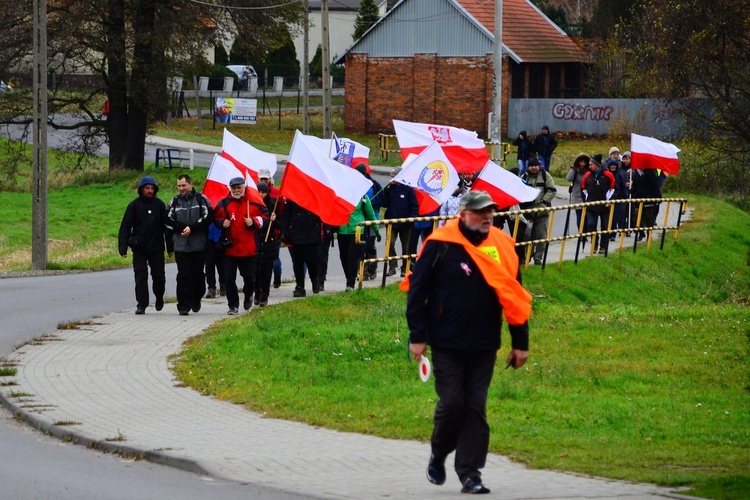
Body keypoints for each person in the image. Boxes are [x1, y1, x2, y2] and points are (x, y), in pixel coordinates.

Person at [404, 190, 532, 495]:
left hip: (485, 342)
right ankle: (439, 452)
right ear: (463, 214)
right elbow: (417, 291)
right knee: (453, 404)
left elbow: (514, 296)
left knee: (476, 407)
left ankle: (470, 474)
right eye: (480, 211)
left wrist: (520, 342)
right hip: (446, 341)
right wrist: (418, 336)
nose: (487, 217)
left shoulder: (502, 245)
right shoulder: (440, 244)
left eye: (490, 211)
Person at [212, 177, 268, 315]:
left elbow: (265, 217)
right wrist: (221, 222)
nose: (236, 190)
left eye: (239, 187)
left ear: (244, 187)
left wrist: (254, 221)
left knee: (249, 277)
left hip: (248, 249)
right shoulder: (224, 203)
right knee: (229, 278)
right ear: (230, 188)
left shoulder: (253, 202)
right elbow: (215, 217)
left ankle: (249, 295)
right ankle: (233, 305)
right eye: (234, 188)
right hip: (230, 249)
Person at [118, 176, 173, 315]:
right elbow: (125, 226)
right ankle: (141, 304)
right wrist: (122, 247)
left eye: (152, 188)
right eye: (147, 188)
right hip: (139, 248)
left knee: (159, 276)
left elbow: (167, 227)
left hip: (157, 248)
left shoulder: (160, 205)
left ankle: (159, 296)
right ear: (141, 189)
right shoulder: (134, 205)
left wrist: (170, 247)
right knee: (140, 276)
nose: (149, 191)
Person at [166, 174, 212, 315]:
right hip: (181, 245)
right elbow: (168, 220)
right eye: (179, 186)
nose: (181, 189)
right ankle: (184, 306)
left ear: (190, 184)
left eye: (184, 185)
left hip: (198, 244)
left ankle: (197, 297)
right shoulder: (174, 201)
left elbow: (207, 218)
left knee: (197, 274)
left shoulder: (201, 199)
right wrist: (181, 228)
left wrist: (192, 228)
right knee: (183, 275)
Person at [337, 169, 381, 291]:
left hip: (357, 231)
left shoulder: (363, 197)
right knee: (343, 257)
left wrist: (376, 231)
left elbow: (371, 214)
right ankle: (349, 278)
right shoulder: (340, 195)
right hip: (342, 230)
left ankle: (350, 284)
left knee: (352, 256)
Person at [281, 198, 323, 297]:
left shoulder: (313, 195)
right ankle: (300, 286)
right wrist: (284, 230)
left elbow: (321, 211)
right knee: (297, 262)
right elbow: (287, 213)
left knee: (311, 260)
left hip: (311, 232)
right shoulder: (292, 197)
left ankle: (314, 279)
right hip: (296, 232)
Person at [520, 157, 557, 264]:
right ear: (528, 167)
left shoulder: (545, 175)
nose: (534, 168)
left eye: (535, 165)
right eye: (532, 166)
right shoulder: (524, 177)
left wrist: (544, 203)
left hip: (542, 211)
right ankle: (529, 254)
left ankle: (538, 258)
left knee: (541, 235)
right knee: (527, 235)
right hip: (528, 212)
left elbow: (552, 190)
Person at [383, 168, 419, 277]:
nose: (392, 179)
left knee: (406, 246)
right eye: (391, 176)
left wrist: (412, 218)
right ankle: (392, 266)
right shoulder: (389, 188)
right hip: (392, 222)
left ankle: (405, 268)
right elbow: (384, 202)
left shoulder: (408, 190)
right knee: (389, 243)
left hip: (406, 224)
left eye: (394, 176)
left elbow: (414, 205)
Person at [581, 154, 616, 254]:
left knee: (605, 226)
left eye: (591, 164)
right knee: (591, 225)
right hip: (591, 206)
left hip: (605, 206)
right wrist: (586, 202)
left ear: (597, 165)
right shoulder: (587, 175)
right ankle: (594, 244)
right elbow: (583, 189)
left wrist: (610, 201)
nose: (590, 166)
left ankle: (603, 246)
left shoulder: (608, 175)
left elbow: (614, 189)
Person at [254, 182, 281, 306]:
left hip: (268, 241)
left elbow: (280, 225)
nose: (260, 195)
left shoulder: (272, 206)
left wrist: (274, 220)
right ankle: (257, 291)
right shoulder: (252, 205)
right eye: (258, 192)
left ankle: (265, 294)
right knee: (255, 270)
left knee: (266, 270)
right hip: (256, 241)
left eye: (263, 192)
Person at [259, 168, 285, 289]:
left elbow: (281, 212)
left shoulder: (277, 193)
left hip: (275, 232)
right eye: (261, 178)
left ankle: (277, 276)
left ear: (270, 179)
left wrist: (278, 223)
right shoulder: (255, 192)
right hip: (260, 233)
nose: (264, 181)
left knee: (275, 259)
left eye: (266, 179)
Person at [629, 166, 662, 241]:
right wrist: (631, 190)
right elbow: (635, 186)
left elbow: (655, 186)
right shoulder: (636, 174)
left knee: (648, 218)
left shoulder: (650, 173)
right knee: (638, 217)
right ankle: (641, 233)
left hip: (648, 199)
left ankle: (649, 235)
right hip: (638, 199)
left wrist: (658, 198)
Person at [566, 153, 589, 242]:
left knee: (587, 216)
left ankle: (585, 233)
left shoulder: (589, 171)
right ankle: (580, 233)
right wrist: (574, 170)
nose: (582, 164)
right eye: (581, 162)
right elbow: (568, 178)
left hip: (587, 195)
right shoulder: (575, 170)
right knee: (579, 215)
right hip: (577, 195)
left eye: (584, 162)